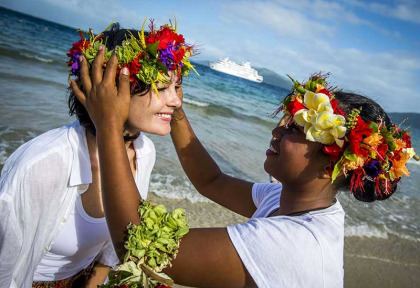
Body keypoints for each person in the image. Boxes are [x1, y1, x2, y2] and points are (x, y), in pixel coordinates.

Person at [75, 46, 417, 288]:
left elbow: (140, 249)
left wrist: (108, 124)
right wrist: (174, 103)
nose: (276, 129)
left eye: (295, 129)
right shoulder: (297, 202)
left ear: (335, 165)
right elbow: (210, 180)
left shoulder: (294, 244)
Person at [0, 21, 196, 288]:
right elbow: (5, 266)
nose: (176, 101)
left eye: (176, 87)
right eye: (161, 88)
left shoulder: (144, 151)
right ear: (112, 88)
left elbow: (115, 241)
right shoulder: (42, 165)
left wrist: (95, 281)